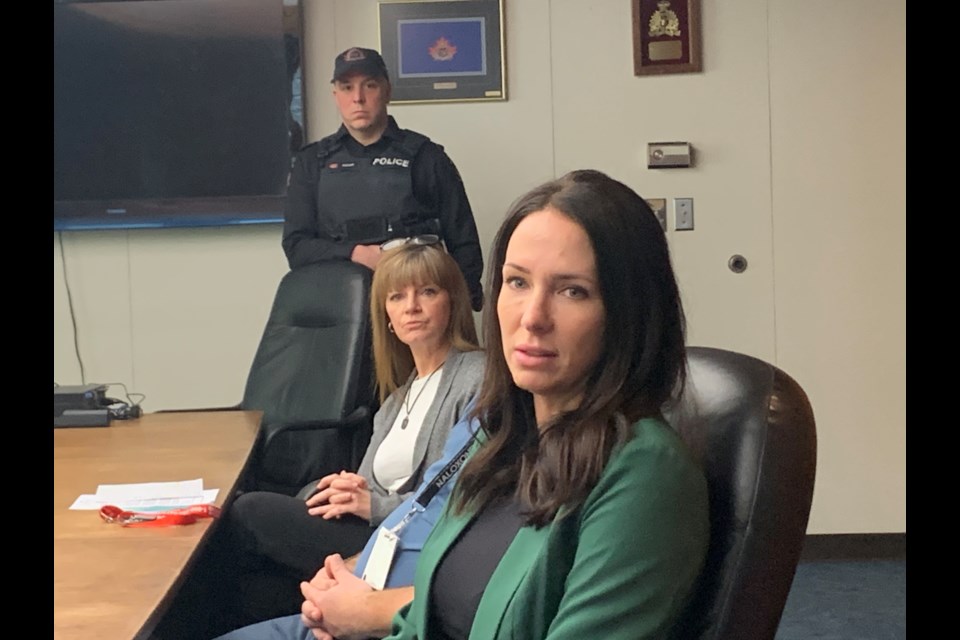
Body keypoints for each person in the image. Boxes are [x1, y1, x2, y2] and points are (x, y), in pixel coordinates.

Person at [381, 170, 711, 640]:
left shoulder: (645, 471)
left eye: (572, 291)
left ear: (627, 312)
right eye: (516, 282)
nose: (532, 317)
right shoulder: (496, 434)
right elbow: (419, 626)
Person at [221, 241, 484, 628]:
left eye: (427, 292)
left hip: (403, 544)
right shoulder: (395, 401)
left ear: (452, 304)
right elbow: (365, 487)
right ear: (388, 318)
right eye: (397, 296)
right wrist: (338, 490)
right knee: (257, 585)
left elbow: (455, 500)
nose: (412, 306)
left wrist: (373, 506)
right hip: (371, 533)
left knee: (246, 513)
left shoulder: (476, 375)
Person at [212, 408, 481, 640]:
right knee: (255, 588)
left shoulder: (476, 384)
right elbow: (421, 508)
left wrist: (363, 610)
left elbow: (479, 596)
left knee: (249, 514)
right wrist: (347, 571)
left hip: (390, 614)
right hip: (375, 568)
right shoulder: (467, 413)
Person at [282, 46, 484, 311]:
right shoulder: (312, 163)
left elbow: (465, 245)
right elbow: (297, 247)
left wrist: (459, 311)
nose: (358, 98)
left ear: (387, 90)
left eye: (369, 85)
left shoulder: (426, 157)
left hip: (416, 311)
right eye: (346, 87)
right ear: (335, 95)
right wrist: (357, 254)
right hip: (340, 311)